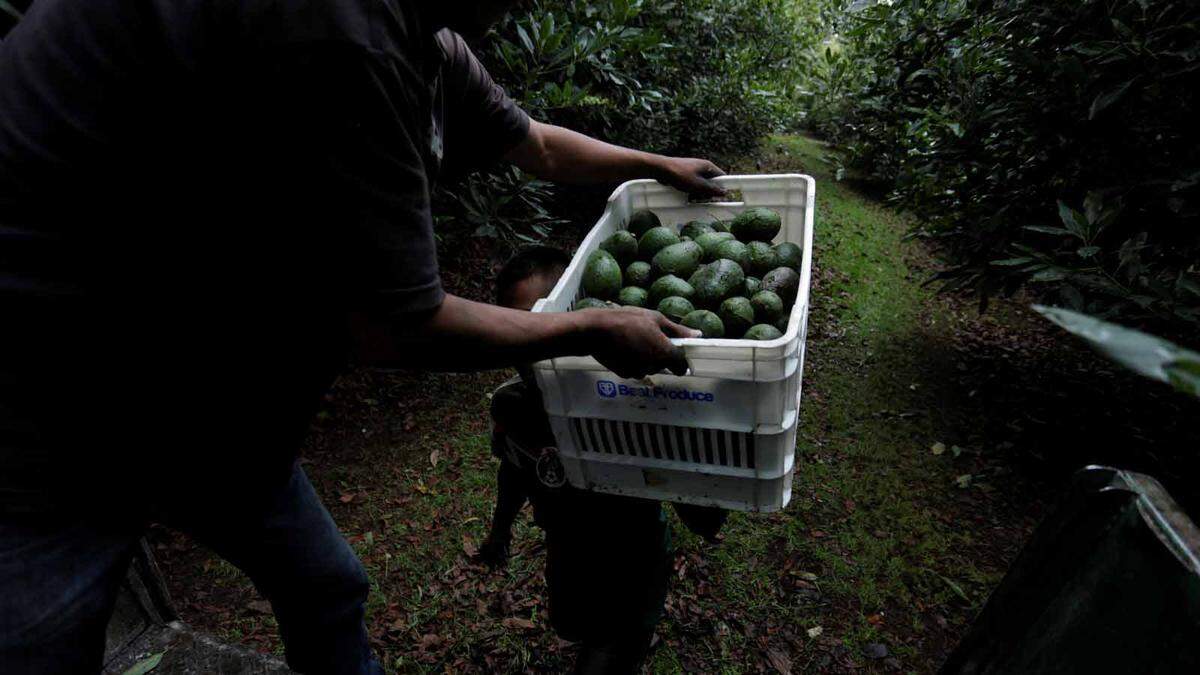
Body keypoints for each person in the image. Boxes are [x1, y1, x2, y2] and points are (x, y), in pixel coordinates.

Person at [0, 1, 727, 672]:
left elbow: (536, 143)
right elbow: (398, 326)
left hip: (206, 396)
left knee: (325, 586)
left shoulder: (425, 41)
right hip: (53, 391)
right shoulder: (341, 35)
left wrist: (654, 163)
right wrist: (587, 326)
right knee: (42, 636)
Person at [478, 246, 729, 673]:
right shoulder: (512, 407)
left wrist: (692, 468)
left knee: (612, 651)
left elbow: (706, 520)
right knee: (572, 625)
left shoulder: (627, 409)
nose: (530, 343)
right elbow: (514, 469)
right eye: (519, 326)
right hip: (566, 548)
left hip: (635, 561)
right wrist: (500, 531)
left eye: (546, 323)